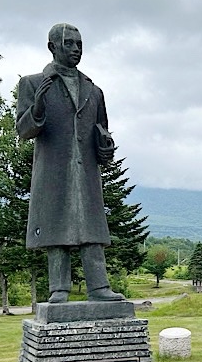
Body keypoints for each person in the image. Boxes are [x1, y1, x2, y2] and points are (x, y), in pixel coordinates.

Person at [16, 23, 123, 303]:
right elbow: (23, 130)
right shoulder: (32, 83)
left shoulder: (94, 90)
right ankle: (58, 288)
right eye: (69, 44)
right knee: (56, 225)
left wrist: (105, 147)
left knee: (90, 228)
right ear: (52, 47)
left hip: (86, 170)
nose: (76, 49)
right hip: (53, 170)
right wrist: (37, 109)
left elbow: (102, 130)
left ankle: (99, 288)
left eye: (79, 44)